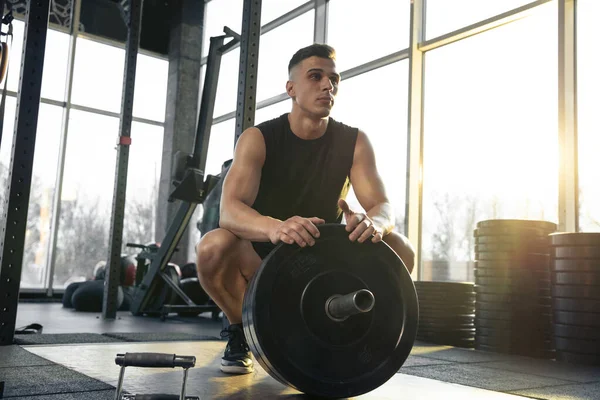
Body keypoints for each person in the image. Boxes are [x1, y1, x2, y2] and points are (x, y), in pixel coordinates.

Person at [196, 43, 416, 375]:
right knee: (213, 246)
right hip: (261, 255)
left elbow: (382, 206)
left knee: (400, 248)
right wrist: (276, 227)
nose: (328, 85)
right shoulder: (258, 138)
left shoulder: (354, 142)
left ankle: (353, 332)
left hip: (323, 259)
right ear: (291, 89)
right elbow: (229, 211)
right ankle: (240, 327)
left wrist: (374, 222)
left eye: (334, 79)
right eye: (315, 77)